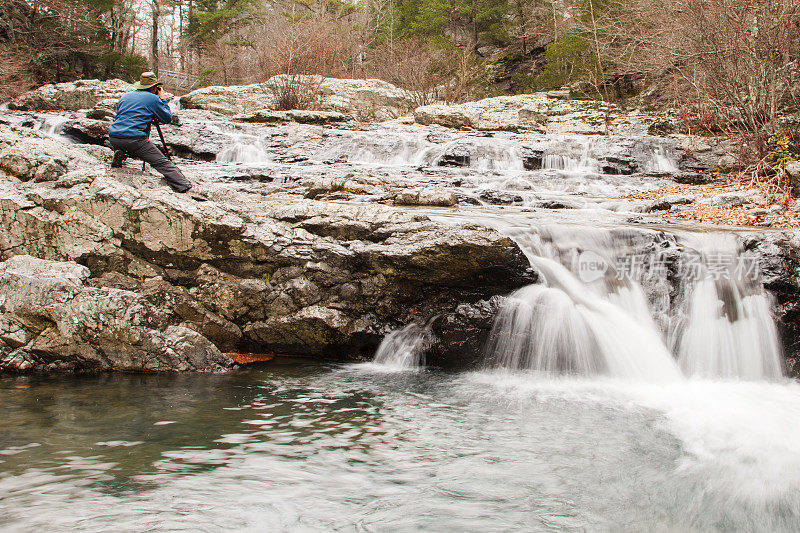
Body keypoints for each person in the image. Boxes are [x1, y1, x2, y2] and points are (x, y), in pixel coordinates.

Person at [108, 72, 200, 197]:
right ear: (153, 87)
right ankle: (186, 188)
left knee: (127, 142)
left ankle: (120, 152)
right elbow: (167, 118)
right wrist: (161, 99)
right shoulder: (153, 99)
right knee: (162, 163)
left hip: (114, 137)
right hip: (135, 140)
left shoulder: (125, 96)